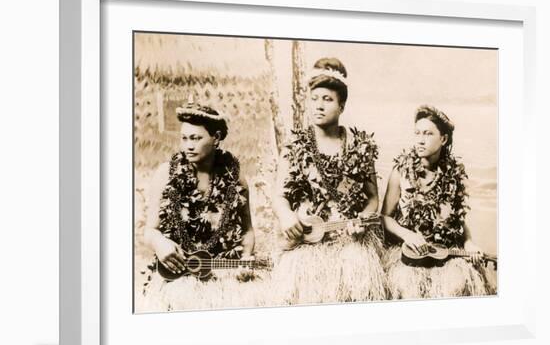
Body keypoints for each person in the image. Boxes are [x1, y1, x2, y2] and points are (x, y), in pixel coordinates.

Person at [270, 57, 387, 305]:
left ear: (342, 106)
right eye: (314, 99)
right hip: (308, 238)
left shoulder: (359, 146)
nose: (319, 106)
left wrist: (362, 221)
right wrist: (287, 217)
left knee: (356, 287)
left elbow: (373, 198)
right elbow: (279, 195)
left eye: (327, 99)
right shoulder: (295, 145)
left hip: (349, 237)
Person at [139, 100, 255, 310]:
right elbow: (149, 231)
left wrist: (246, 258)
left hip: (222, 275)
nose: (188, 146)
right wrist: (160, 243)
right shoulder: (166, 174)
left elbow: (247, 230)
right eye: (184, 138)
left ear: (216, 138)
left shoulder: (235, 179)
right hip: (179, 275)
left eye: (196, 138)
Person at [381, 105, 496, 299]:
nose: (420, 139)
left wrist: (468, 242)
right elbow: (385, 216)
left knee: (455, 287)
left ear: (443, 139)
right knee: (409, 289)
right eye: (417, 133)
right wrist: (407, 234)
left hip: (444, 250)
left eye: (427, 133)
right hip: (409, 251)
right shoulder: (401, 171)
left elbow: (457, 219)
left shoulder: (454, 176)